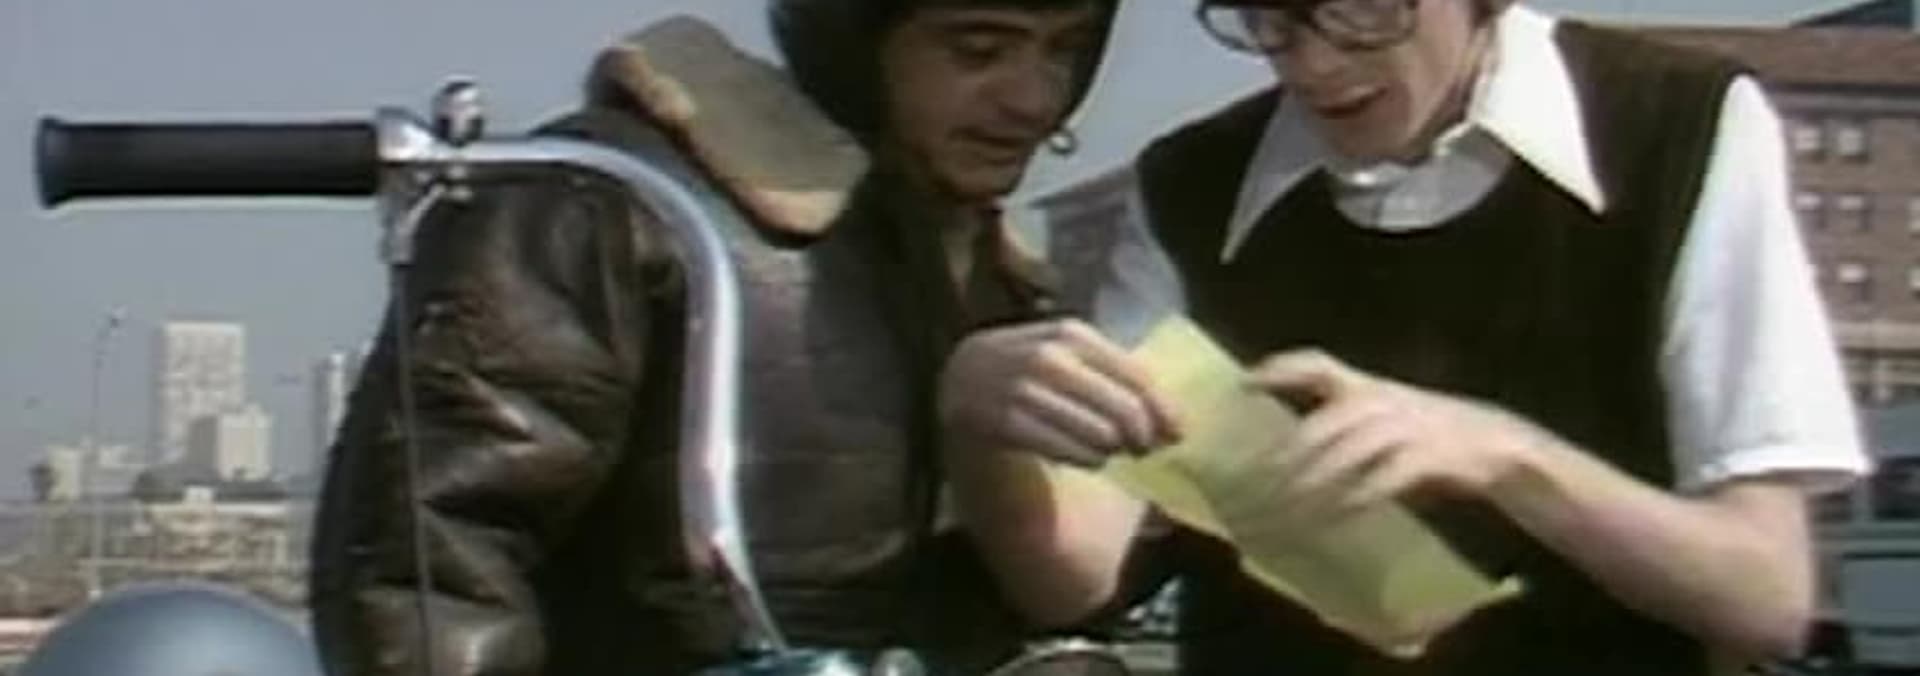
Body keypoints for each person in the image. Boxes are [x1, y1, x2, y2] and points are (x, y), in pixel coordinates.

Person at [937, 0, 1873, 673]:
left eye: (1363, 12)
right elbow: (1072, 580)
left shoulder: (1676, 126)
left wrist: (1504, 456)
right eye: (1269, 19)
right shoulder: (1189, 184)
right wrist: (979, 421)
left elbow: (1764, 596)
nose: (1312, 64)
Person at [308, 1, 1119, 674]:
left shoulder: (1000, 277)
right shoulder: (609, 201)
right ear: (854, 38)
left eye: (1066, 50)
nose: (1034, 98)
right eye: (978, 50)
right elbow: (430, 562)